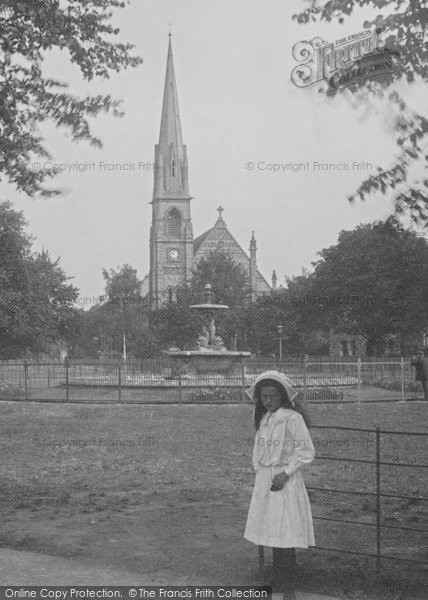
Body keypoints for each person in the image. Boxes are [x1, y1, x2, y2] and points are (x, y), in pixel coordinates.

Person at [244, 371, 315, 599]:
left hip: (285, 483)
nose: (268, 401)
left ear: (282, 396)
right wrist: (260, 472)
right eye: (264, 396)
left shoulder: (292, 419)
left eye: (273, 396)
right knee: (273, 534)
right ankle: (277, 585)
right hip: (266, 481)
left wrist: (285, 473)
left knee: (286, 536)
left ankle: (289, 590)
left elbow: (306, 452)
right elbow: (258, 449)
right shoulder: (264, 418)